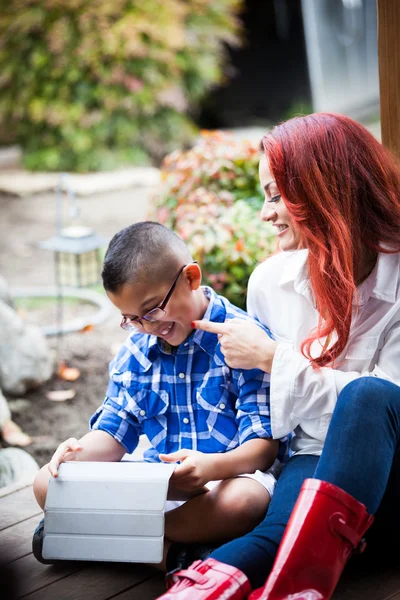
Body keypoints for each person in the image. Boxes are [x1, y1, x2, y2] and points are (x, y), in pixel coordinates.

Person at [157, 112, 400, 600]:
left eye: (276, 196)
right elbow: (269, 414)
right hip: (314, 470)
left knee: (370, 396)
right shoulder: (270, 282)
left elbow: (381, 410)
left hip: (394, 479)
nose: (266, 213)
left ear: (325, 189)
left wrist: (275, 358)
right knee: (274, 537)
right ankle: (195, 592)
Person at [32, 221, 289, 571]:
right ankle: (167, 554)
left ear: (191, 278)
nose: (149, 327)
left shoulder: (242, 341)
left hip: (218, 485)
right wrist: (76, 453)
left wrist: (211, 466)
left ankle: (102, 539)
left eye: (153, 310)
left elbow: (263, 449)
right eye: (132, 319)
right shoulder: (137, 350)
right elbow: (114, 431)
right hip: (155, 488)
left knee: (246, 501)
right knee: (47, 481)